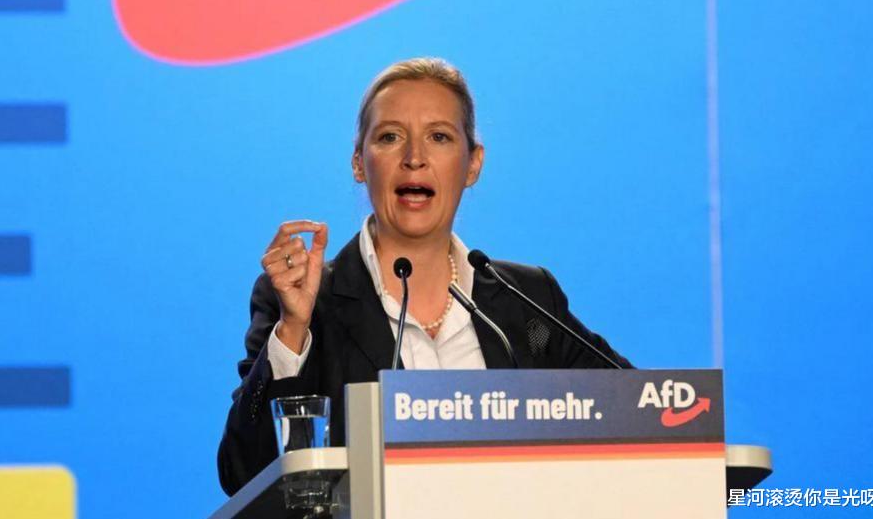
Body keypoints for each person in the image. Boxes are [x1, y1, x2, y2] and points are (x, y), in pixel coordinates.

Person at [217, 58, 632, 496]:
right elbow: (243, 473)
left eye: (439, 137)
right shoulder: (307, 304)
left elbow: (641, 414)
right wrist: (293, 330)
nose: (414, 159)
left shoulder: (527, 301)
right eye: (390, 137)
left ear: (473, 164)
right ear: (359, 162)